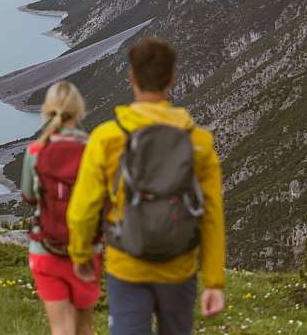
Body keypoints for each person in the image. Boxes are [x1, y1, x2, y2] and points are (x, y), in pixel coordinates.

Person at [67, 38, 225, 335]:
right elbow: (212, 214)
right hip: (179, 265)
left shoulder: (107, 138)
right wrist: (214, 281)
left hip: (127, 263)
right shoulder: (200, 142)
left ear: (132, 77)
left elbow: (83, 208)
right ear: (172, 79)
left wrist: (80, 255)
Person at [21, 81, 102, 335]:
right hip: (88, 250)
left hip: (45, 248)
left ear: (47, 110)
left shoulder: (36, 150)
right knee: (84, 327)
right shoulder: (93, 148)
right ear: (79, 110)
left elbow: (29, 196)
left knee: (61, 329)